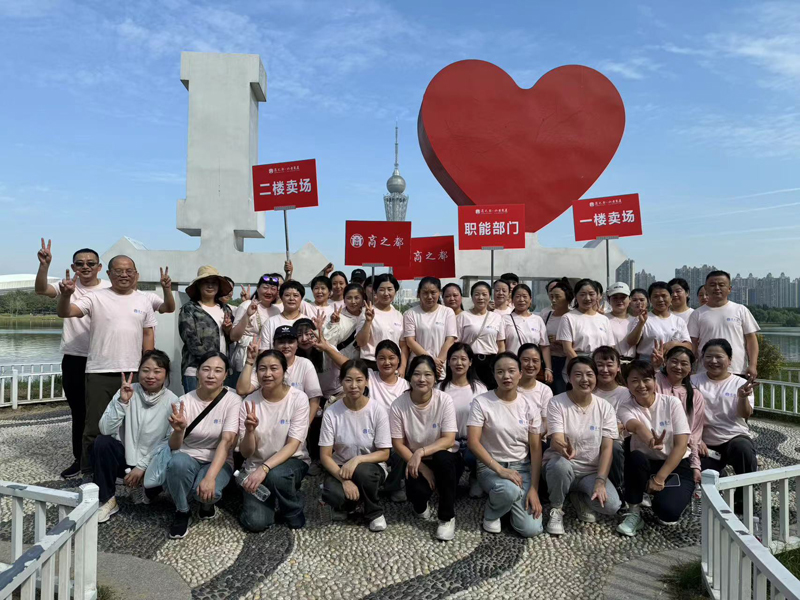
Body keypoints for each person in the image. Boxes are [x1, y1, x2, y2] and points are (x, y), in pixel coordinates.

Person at [56, 255, 157, 473]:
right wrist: (65, 295)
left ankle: (125, 467)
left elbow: (148, 333)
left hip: (132, 371)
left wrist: (148, 364)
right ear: (109, 274)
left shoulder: (143, 300)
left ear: (135, 274)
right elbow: (66, 312)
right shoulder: (95, 297)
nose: (124, 275)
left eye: (129, 271)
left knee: (132, 424)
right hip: (100, 371)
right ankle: (89, 470)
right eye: (118, 271)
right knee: (95, 424)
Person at [35, 240, 111, 478]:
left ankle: (109, 460)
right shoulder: (68, 285)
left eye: (91, 263)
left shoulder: (110, 288)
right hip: (75, 358)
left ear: (99, 267)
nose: (85, 267)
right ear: (73, 267)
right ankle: (81, 459)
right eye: (80, 263)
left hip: (106, 358)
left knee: (109, 412)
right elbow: (41, 290)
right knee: (79, 412)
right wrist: (44, 266)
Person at [93, 350, 179, 522]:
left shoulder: (173, 401)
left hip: (152, 462)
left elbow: (168, 442)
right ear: (139, 371)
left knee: (172, 459)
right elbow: (105, 429)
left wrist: (142, 466)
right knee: (102, 442)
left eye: (157, 371)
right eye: (145, 370)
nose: (150, 376)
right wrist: (122, 402)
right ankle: (107, 499)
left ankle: (144, 488)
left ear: (166, 374)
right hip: (126, 458)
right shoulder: (127, 391)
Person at [164, 351, 241, 539]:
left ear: (226, 374)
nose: (211, 375)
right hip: (187, 456)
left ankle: (206, 505)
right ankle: (182, 511)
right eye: (206, 369)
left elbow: (227, 441)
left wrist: (210, 478)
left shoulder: (233, 400)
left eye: (218, 370)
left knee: (208, 492)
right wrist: (179, 430)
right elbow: (174, 446)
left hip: (219, 459)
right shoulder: (184, 401)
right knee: (176, 463)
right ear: (197, 372)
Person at [467, 353, 544, 537]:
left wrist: (534, 488)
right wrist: (500, 470)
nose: (506, 376)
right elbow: (473, 442)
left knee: (531, 529)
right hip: (491, 467)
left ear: (520, 374)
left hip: (521, 468)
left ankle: (507, 501)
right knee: (508, 490)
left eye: (511, 371)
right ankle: (492, 512)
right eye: (500, 372)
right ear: (494, 375)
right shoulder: (482, 402)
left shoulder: (529, 405)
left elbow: (535, 448)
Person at [543, 357, 621, 536]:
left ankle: (578, 497)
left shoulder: (605, 407)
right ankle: (557, 508)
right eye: (578, 374)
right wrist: (563, 448)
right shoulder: (557, 402)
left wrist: (600, 481)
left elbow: (607, 448)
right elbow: (556, 438)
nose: (584, 379)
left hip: (590, 472)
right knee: (560, 465)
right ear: (569, 377)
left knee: (612, 506)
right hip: (563, 466)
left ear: (595, 377)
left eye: (589, 374)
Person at [615, 360, 693, 536]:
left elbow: (681, 445)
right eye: (634, 381)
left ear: (655, 380)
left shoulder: (671, 403)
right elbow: (636, 426)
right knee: (635, 457)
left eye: (646, 379)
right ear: (627, 384)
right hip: (645, 464)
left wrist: (660, 478)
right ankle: (634, 511)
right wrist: (650, 440)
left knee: (667, 514)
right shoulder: (625, 407)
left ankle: (663, 492)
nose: (641, 385)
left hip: (675, 464)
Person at [390, 355, 461, 541]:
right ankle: (421, 505)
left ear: (435, 378)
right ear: (409, 377)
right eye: (417, 374)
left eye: (428, 374)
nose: (422, 379)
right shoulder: (398, 405)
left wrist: (421, 452)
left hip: (444, 457)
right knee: (418, 494)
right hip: (416, 460)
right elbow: (398, 443)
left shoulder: (444, 400)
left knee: (442, 459)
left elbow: (449, 439)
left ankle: (446, 518)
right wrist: (422, 467)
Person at [238, 350, 310, 531]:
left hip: (292, 461)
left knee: (276, 476)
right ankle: (272, 496)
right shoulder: (249, 402)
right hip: (255, 466)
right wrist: (249, 431)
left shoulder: (298, 398)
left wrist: (265, 468)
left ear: (284, 371)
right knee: (255, 523)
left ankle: (292, 511)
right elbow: (246, 453)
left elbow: (293, 445)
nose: (267, 374)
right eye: (262, 369)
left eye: (274, 368)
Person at [319, 359, 392, 532]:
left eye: (359, 380)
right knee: (332, 493)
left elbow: (384, 453)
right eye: (348, 380)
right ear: (341, 382)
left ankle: (374, 512)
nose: (353, 386)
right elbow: (325, 456)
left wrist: (357, 460)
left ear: (366, 381)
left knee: (362, 472)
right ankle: (353, 503)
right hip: (341, 468)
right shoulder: (331, 412)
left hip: (371, 467)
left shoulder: (377, 410)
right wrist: (344, 481)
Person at [691, 339, 758, 509]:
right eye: (708, 356)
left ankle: (744, 499)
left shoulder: (740, 383)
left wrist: (742, 398)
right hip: (704, 441)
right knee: (700, 477)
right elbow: (685, 413)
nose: (713, 361)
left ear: (729, 360)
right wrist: (696, 440)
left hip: (733, 437)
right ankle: (719, 476)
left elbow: (745, 414)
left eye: (719, 357)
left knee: (743, 449)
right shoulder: (693, 381)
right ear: (702, 359)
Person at [238, 326, 322, 426]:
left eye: (290, 342)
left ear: (297, 345)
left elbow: (314, 399)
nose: (286, 346)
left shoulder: (305, 364)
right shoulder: (265, 366)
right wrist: (250, 361)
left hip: (298, 419)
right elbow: (242, 390)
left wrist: (304, 427)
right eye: (281, 342)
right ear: (274, 345)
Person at [687, 271, 760, 378]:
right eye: (712, 285)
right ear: (706, 288)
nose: (717, 288)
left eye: (721, 285)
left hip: (736, 369)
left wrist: (753, 365)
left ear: (729, 289)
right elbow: (692, 343)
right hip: (706, 370)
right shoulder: (697, 314)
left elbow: (751, 340)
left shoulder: (740, 310)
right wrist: (689, 365)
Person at [439, 343, 487, 497]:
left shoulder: (480, 389)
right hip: (448, 441)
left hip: (473, 441)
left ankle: (475, 476)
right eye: (454, 359)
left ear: (470, 362)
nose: (458, 363)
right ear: (448, 362)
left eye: (463, 359)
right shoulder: (439, 388)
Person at [178, 266, 234, 393]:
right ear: (198, 286)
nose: (210, 286)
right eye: (206, 282)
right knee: (195, 404)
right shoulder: (189, 309)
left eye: (214, 283)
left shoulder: (226, 309)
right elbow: (190, 339)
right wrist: (211, 362)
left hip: (220, 370)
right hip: (195, 370)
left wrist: (228, 330)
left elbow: (230, 339)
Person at [655, 346, 706, 485]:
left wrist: (695, 465)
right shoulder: (654, 382)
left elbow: (694, 434)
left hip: (680, 452)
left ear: (690, 369)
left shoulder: (695, 396)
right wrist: (655, 367)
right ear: (665, 361)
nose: (678, 367)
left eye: (684, 364)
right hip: (652, 448)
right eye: (674, 361)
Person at [556, 279, 614, 384]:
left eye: (591, 294)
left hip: (601, 368)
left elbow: (611, 347)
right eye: (582, 294)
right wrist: (585, 367)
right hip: (578, 366)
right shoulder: (568, 317)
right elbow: (567, 349)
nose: (587, 298)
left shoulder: (604, 319)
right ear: (576, 296)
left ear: (597, 296)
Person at [590, 346, 629, 501]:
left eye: (609, 365)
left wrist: (603, 432)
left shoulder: (625, 393)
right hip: (587, 440)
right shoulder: (588, 390)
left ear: (618, 367)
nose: (605, 370)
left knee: (614, 447)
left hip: (615, 441)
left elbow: (625, 423)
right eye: (599, 365)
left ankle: (619, 487)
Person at [402, 277, 458, 375]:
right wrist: (431, 362)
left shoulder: (447, 312)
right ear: (419, 294)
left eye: (433, 292)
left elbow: (450, 340)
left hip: (440, 369)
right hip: (417, 368)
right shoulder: (410, 313)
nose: (429, 296)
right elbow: (410, 341)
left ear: (439, 293)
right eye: (425, 293)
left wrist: (438, 363)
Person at [229, 274, 281, 376]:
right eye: (265, 287)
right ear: (257, 288)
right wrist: (247, 315)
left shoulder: (277, 310)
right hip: (245, 356)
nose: (269, 292)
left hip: (268, 358)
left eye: (273, 289)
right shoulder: (246, 305)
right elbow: (233, 337)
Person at [626, 282, 691, 362]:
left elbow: (689, 346)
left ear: (671, 298)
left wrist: (674, 344)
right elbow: (631, 342)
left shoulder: (678, 321)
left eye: (664, 296)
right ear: (650, 300)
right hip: (647, 362)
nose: (660, 300)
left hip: (671, 362)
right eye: (656, 296)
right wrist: (641, 323)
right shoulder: (643, 318)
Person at [456, 281, 506, 388]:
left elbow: (501, 345)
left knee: (491, 392)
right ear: (472, 297)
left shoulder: (497, 317)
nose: (481, 298)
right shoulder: (463, 316)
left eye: (484, 294)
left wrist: (501, 363)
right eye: (477, 294)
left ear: (489, 296)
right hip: (469, 361)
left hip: (491, 363)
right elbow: (457, 343)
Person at [355, 274, 406, 374]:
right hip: (371, 365)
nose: (386, 293)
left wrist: (402, 367)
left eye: (390, 289)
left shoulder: (398, 315)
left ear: (395, 291)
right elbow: (360, 342)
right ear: (375, 292)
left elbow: (403, 345)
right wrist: (368, 321)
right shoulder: (367, 312)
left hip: (393, 366)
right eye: (382, 289)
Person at [503, 284, 552, 382]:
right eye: (517, 296)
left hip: (532, 367)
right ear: (512, 300)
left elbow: (544, 346)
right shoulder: (505, 319)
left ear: (530, 299)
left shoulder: (538, 320)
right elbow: (501, 346)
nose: (521, 300)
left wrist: (548, 368)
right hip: (512, 367)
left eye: (525, 296)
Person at [542, 279, 573, 396]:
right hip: (549, 360)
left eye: (558, 297)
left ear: (567, 298)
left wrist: (559, 341)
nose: (553, 300)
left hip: (566, 361)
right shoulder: (546, 315)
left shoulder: (573, 317)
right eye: (551, 296)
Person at [517, 344, 554, 441]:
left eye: (535, 361)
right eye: (526, 360)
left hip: (537, 440)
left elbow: (546, 422)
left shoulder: (545, 390)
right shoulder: (510, 387)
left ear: (541, 362)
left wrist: (532, 439)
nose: (530, 365)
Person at [259, 281, 308, 350]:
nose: (291, 298)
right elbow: (264, 351)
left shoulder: (308, 322)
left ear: (301, 298)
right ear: (281, 298)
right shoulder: (270, 322)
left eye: (295, 295)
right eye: (287, 295)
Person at [604, 282, 636, 362]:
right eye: (615, 298)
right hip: (610, 362)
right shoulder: (603, 319)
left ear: (630, 299)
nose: (619, 301)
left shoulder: (635, 320)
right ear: (608, 300)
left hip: (632, 363)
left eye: (623, 297)